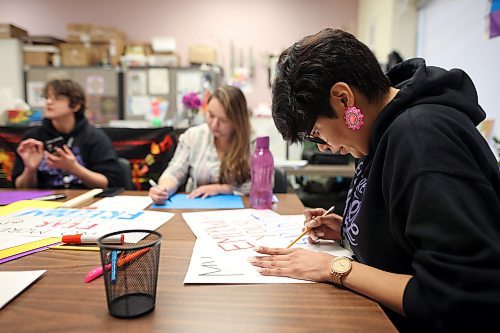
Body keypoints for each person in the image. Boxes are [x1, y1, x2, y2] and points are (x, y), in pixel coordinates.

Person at [248, 28, 500, 332]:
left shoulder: (422, 140)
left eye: (317, 135)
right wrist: (348, 230)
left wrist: (334, 267)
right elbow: (409, 237)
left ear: (343, 99)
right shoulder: (380, 132)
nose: (326, 148)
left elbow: (459, 298)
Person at [149, 85, 251, 203]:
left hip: (240, 211)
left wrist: (221, 189)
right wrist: (162, 189)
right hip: (195, 207)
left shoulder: (253, 142)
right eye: (211, 115)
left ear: (238, 120)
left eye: (223, 120)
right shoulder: (193, 135)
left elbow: (263, 185)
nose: (214, 124)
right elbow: (175, 171)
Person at [13, 79, 122, 189]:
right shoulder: (33, 138)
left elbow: (107, 183)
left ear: (76, 106)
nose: (49, 102)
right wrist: (30, 169)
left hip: (84, 202)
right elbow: (21, 188)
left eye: (58, 98)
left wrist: (74, 168)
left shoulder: (95, 138)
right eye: (47, 97)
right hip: (44, 203)